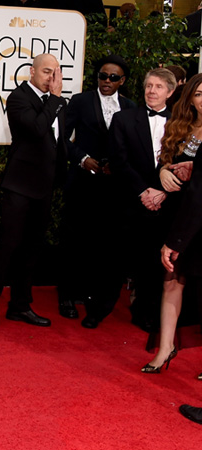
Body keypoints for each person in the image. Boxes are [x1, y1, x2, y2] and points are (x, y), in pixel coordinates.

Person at [0, 53, 67, 329]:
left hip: (45, 187)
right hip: (19, 186)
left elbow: (58, 141)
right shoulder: (18, 98)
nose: (51, 79)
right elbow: (38, 130)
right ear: (32, 72)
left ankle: (19, 306)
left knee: (32, 249)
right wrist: (55, 99)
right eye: (46, 72)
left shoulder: (56, 103)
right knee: (8, 247)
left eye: (56, 73)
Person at [58, 55, 136, 328]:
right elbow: (62, 138)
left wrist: (118, 166)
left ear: (122, 81)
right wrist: (82, 159)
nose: (107, 81)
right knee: (74, 240)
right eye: (103, 76)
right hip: (81, 182)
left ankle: (91, 295)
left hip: (113, 189)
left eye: (113, 77)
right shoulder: (80, 101)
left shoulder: (129, 107)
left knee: (102, 244)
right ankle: (67, 295)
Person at [141, 73, 202, 373]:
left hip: (200, 219)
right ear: (190, 97)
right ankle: (166, 347)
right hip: (177, 214)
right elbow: (165, 160)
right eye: (200, 93)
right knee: (171, 280)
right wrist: (165, 172)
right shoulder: (180, 127)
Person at [109, 68, 177, 333]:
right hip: (130, 201)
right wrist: (143, 191)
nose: (152, 91)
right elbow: (118, 161)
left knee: (153, 264)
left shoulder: (179, 124)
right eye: (149, 85)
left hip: (165, 205)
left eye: (159, 87)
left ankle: (146, 313)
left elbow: (182, 164)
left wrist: (161, 192)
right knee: (116, 258)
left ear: (170, 92)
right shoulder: (123, 119)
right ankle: (100, 308)